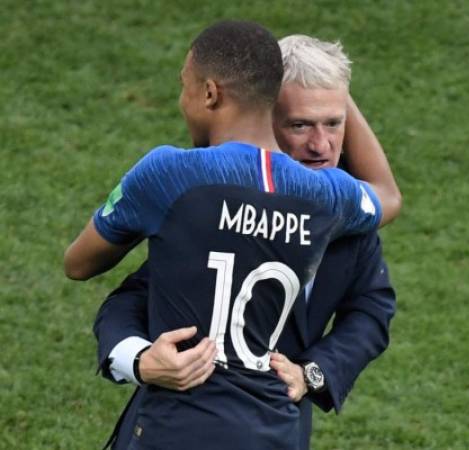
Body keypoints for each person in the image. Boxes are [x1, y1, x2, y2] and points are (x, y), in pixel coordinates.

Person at [65, 22, 400, 450]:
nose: (321, 145)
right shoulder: (334, 202)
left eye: (335, 123)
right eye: (300, 125)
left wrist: (312, 373)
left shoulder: (183, 182)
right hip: (197, 428)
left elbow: (372, 310)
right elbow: (131, 299)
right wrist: (140, 359)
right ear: (267, 112)